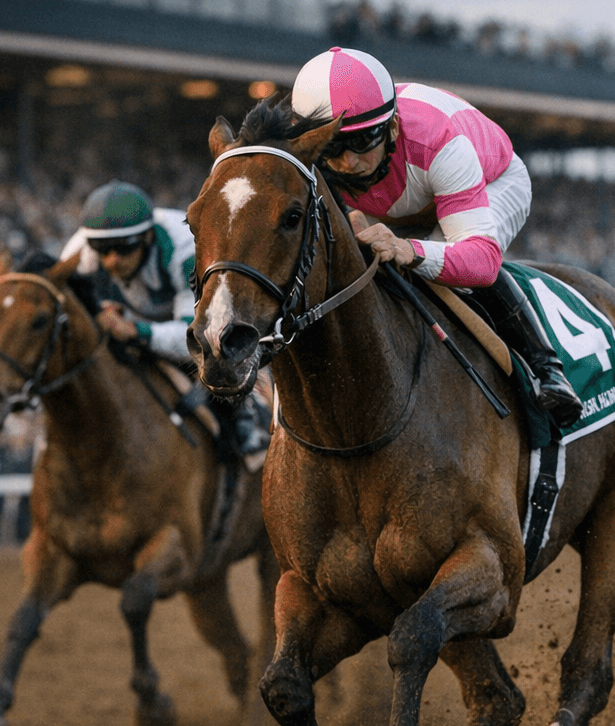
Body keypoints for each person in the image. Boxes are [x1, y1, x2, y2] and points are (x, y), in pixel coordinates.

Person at [288, 46, 583, 427]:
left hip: (492, 181)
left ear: (392, 128)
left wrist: (409, 250)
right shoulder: (307, 157)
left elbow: (481, 261)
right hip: (407, 201)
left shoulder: (439, 141)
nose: (348, 162)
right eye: (333, 147)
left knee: (449, 269)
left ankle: (546, 368)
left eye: (362, 142)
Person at [59, 180, 268, 459]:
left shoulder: (186, 249)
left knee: (219, 353)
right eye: (103, 249)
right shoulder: (81, 248)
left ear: (147, 237)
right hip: (138, 319)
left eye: (124, 248)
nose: (112, 260)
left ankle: (248, 419)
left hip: (200, 322)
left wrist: (136, 331)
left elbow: (195, 340)